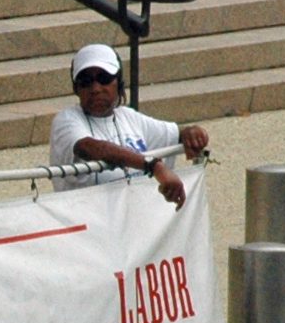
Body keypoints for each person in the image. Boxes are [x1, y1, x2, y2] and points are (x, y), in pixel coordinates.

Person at [48, 43, 209, 210]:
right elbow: (90, 148)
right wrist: (153, 166)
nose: (95, 88)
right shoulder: (66, 120)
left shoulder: (128, 117)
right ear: (76, 89)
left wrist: (192, 133)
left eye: (104, 78)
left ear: (119, 83)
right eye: (86, 82)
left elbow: (178, 133)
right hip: (89, 229)